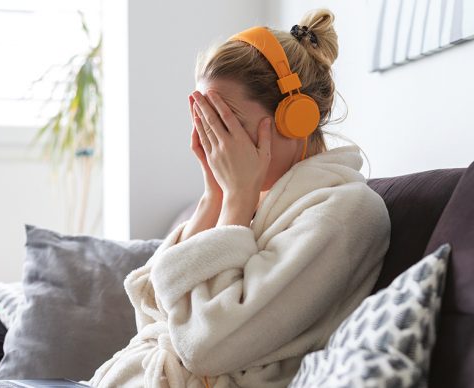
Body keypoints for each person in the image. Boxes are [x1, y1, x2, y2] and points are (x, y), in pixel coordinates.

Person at [87, 8, 390, 388]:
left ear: (297, 118)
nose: (219, 145)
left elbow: (206, 346)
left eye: (228, 124)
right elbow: (152, 312)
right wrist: (212, 196)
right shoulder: (252, 200)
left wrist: (236, 198)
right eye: (208, 124)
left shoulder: (345, 212)